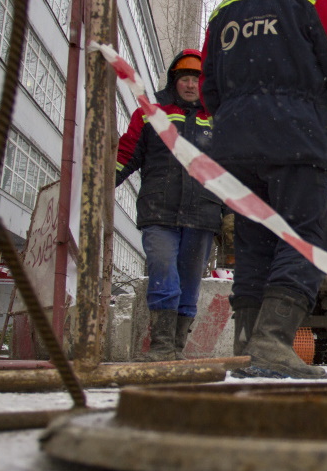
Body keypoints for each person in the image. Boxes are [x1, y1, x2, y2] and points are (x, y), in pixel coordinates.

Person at [201, 0, 327, 379]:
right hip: (298, 136)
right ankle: (271, 341)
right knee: (305, 236)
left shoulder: (225, 8)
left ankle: (247, 345)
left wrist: (237, 122)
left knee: (255, 243)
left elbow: (208, 86)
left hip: (237, 146)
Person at [115, 49, 222, 361]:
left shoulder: (219, 121)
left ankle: (175, 348)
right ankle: (161, 346)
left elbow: (232, 170)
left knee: (189, 282)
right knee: (163, 270)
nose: (190, 85)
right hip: (159, 211)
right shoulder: (151, 114)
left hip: (202, 214)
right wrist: (99, 184)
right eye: (184, 78)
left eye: (196, 80)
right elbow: (125, 155)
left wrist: (232, 213)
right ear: (174, 81)